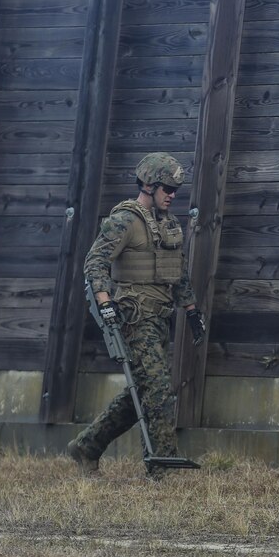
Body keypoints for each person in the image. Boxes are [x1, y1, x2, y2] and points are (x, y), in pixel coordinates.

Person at [66, 152, 206, 477]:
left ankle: (87, 446)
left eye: (175, 191)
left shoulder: (167, 223)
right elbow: (94, 263)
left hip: (160, 318)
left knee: (143, 391)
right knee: (157, 390)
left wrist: (192, 309)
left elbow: (177, 271)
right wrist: (105, 303)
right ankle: (163, 469)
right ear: (148, 185)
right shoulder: (125, 220)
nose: (172, 195)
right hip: (133, 318)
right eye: (167, 189)